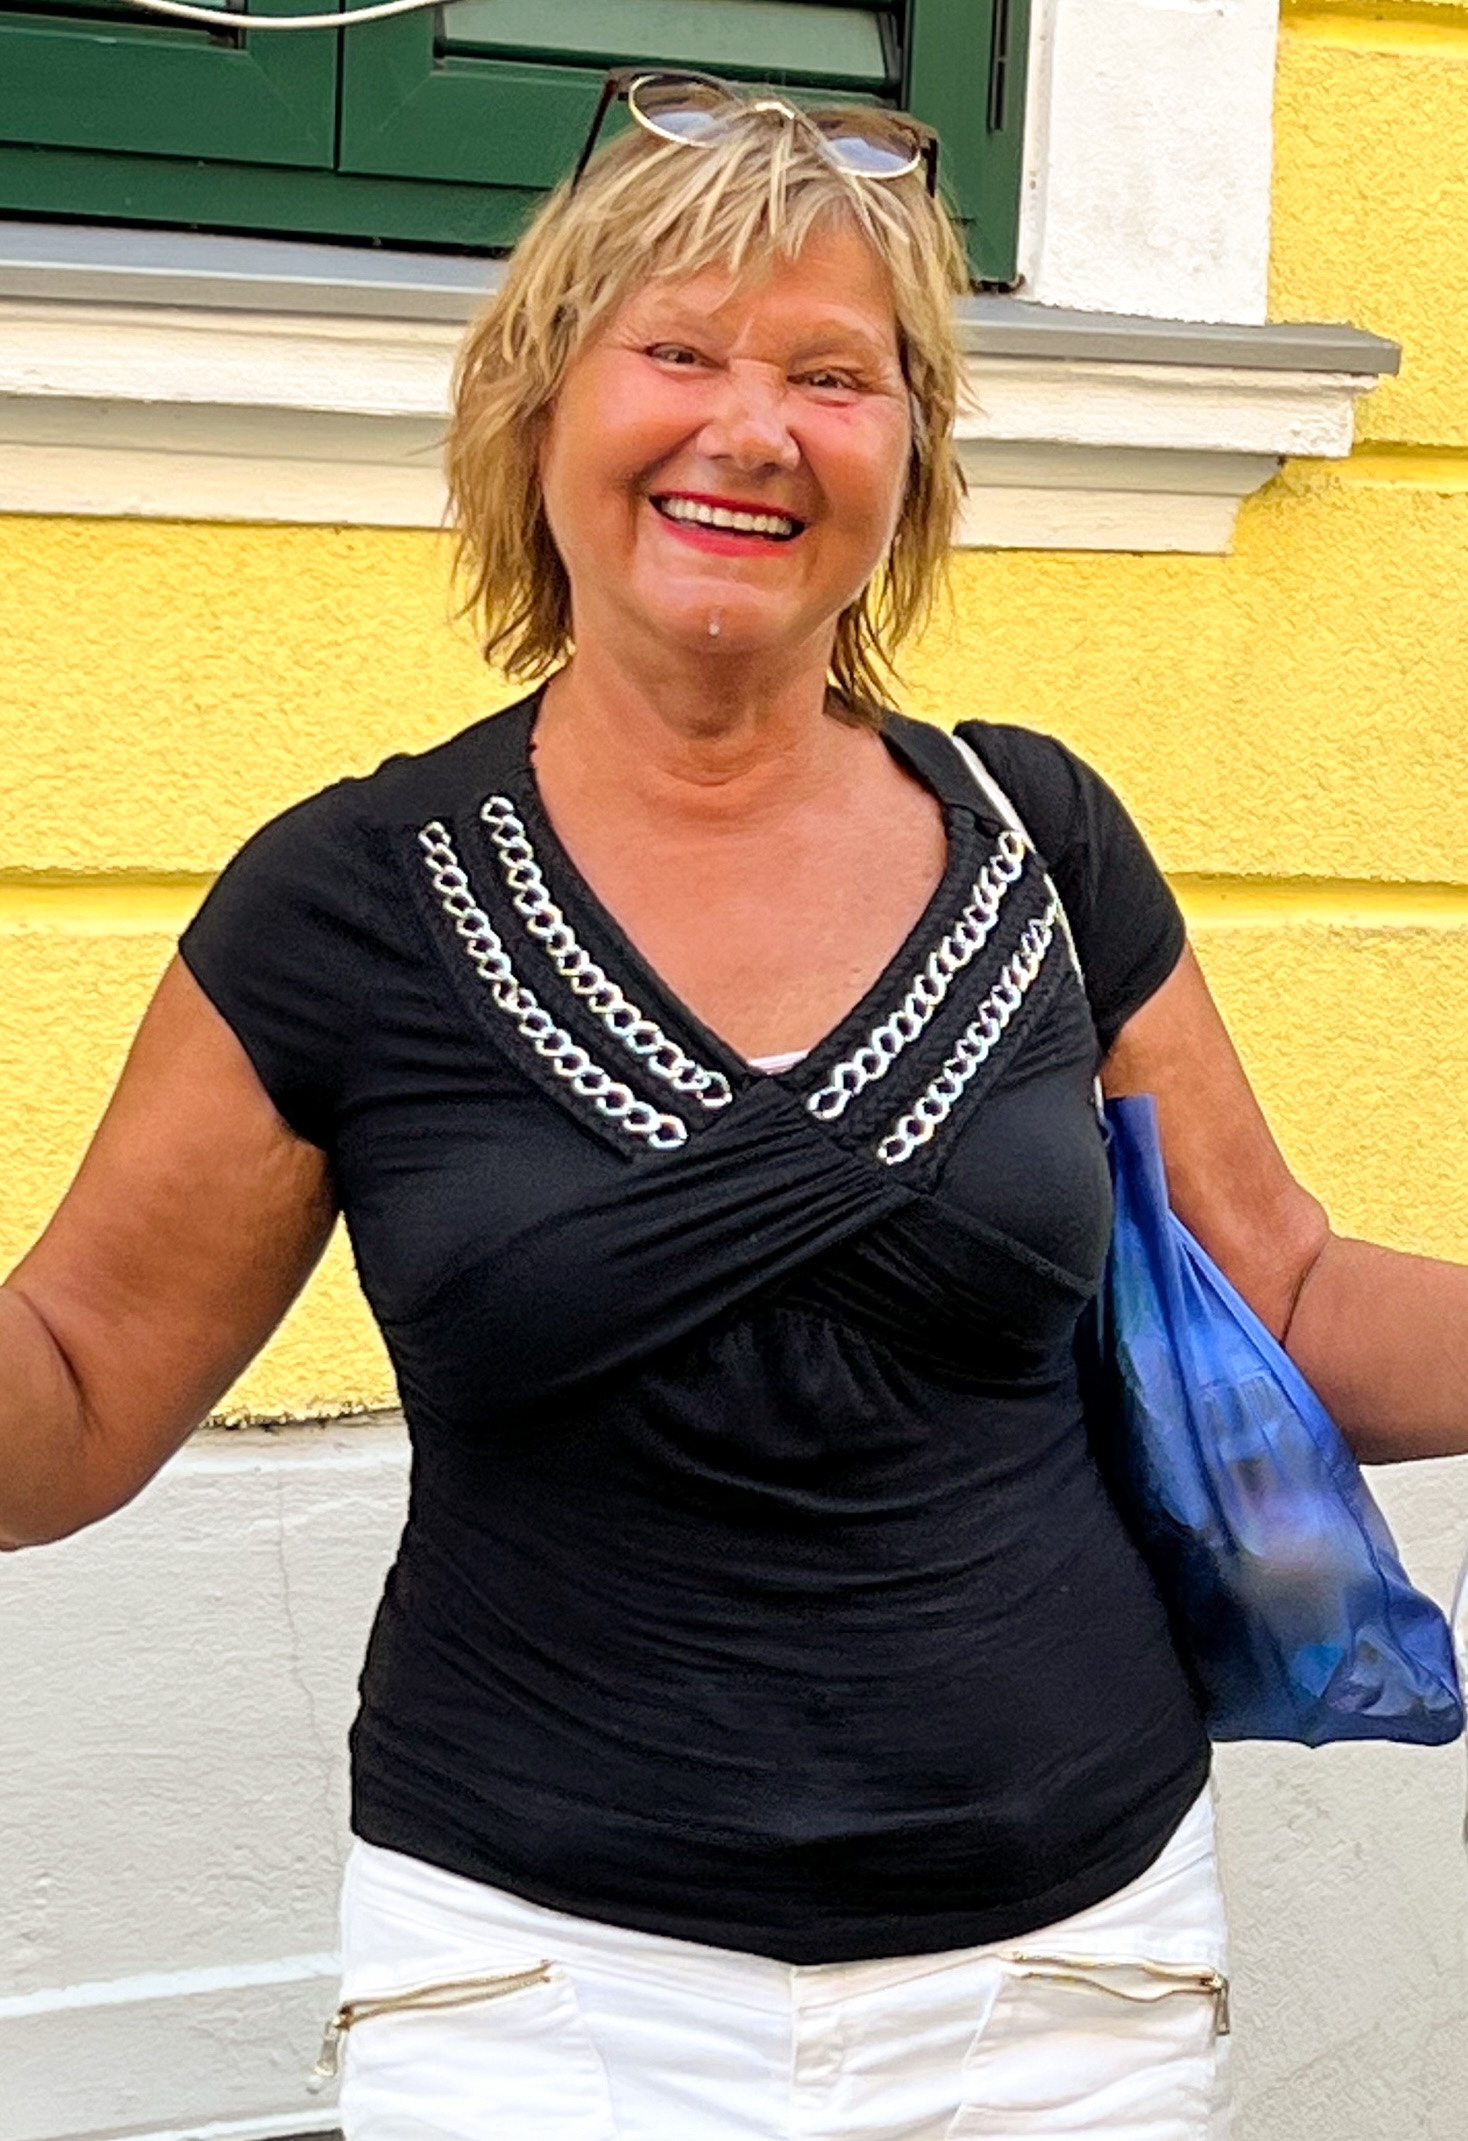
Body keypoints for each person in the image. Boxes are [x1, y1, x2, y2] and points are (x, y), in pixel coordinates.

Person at [3, 73, 1467, 2141]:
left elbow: (1286, 1295)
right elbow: (65, 1404)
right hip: (536, 1998)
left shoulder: (1039, 841)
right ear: (536, 412)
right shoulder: (351, 903)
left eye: (834, 376)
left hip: (1069, 1988)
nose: (752, 428)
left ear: (911, 459)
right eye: (677, 351)